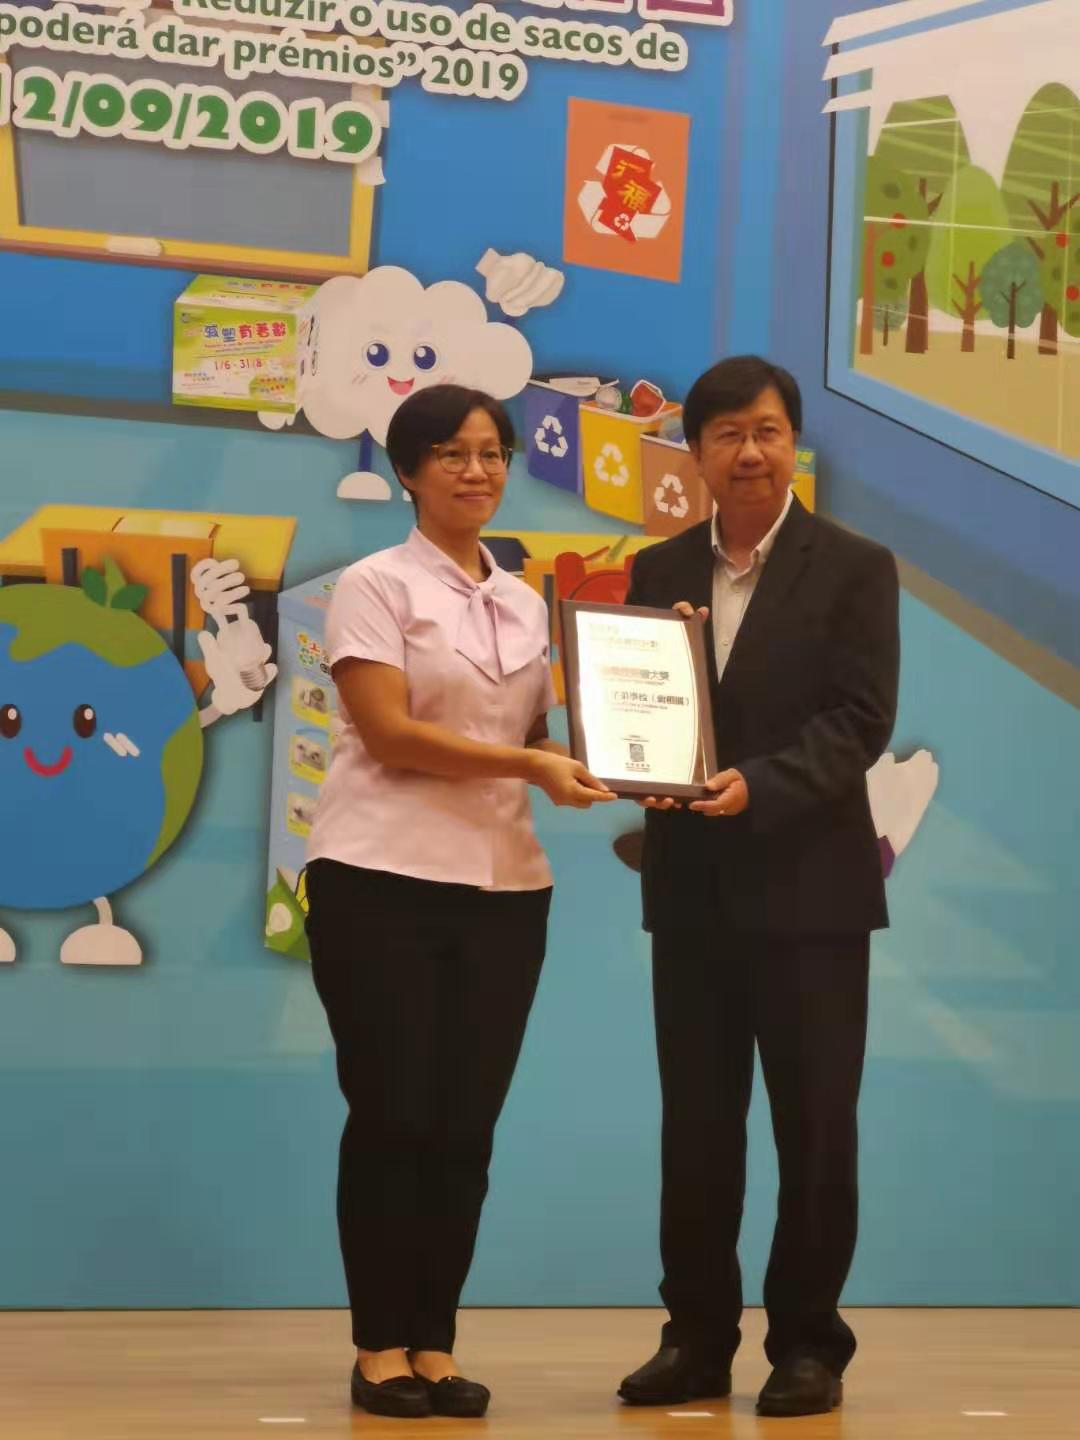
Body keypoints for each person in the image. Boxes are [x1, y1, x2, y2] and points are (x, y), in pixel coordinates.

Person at [305, 384, 613, 1420]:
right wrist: (531, 764)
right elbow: (390, 736)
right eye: (451, 453)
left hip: (505, 890)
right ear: (408, 471)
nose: (477, 471)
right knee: (393, 1115)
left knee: (464, 1126)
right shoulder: (373, 585)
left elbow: (550, 732)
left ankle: (434, 1341)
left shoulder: (525, 602)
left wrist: (655, 702)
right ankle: (378, 1346)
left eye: (492, 452)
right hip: (379, 881)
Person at [617, 356, 900, 1419]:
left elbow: (860, 720)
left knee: (815, 1129)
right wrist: (632, 765)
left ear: (794, 444)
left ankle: (809, 1345)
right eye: (729, 433)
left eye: (769, 430)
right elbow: (642, 706)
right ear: (695, 452)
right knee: (696, 1129)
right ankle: (695, 1339)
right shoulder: (657, 568)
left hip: (812, 896)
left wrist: (761, 786)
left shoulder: (855, 566)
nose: (751, 452)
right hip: (692, 894)